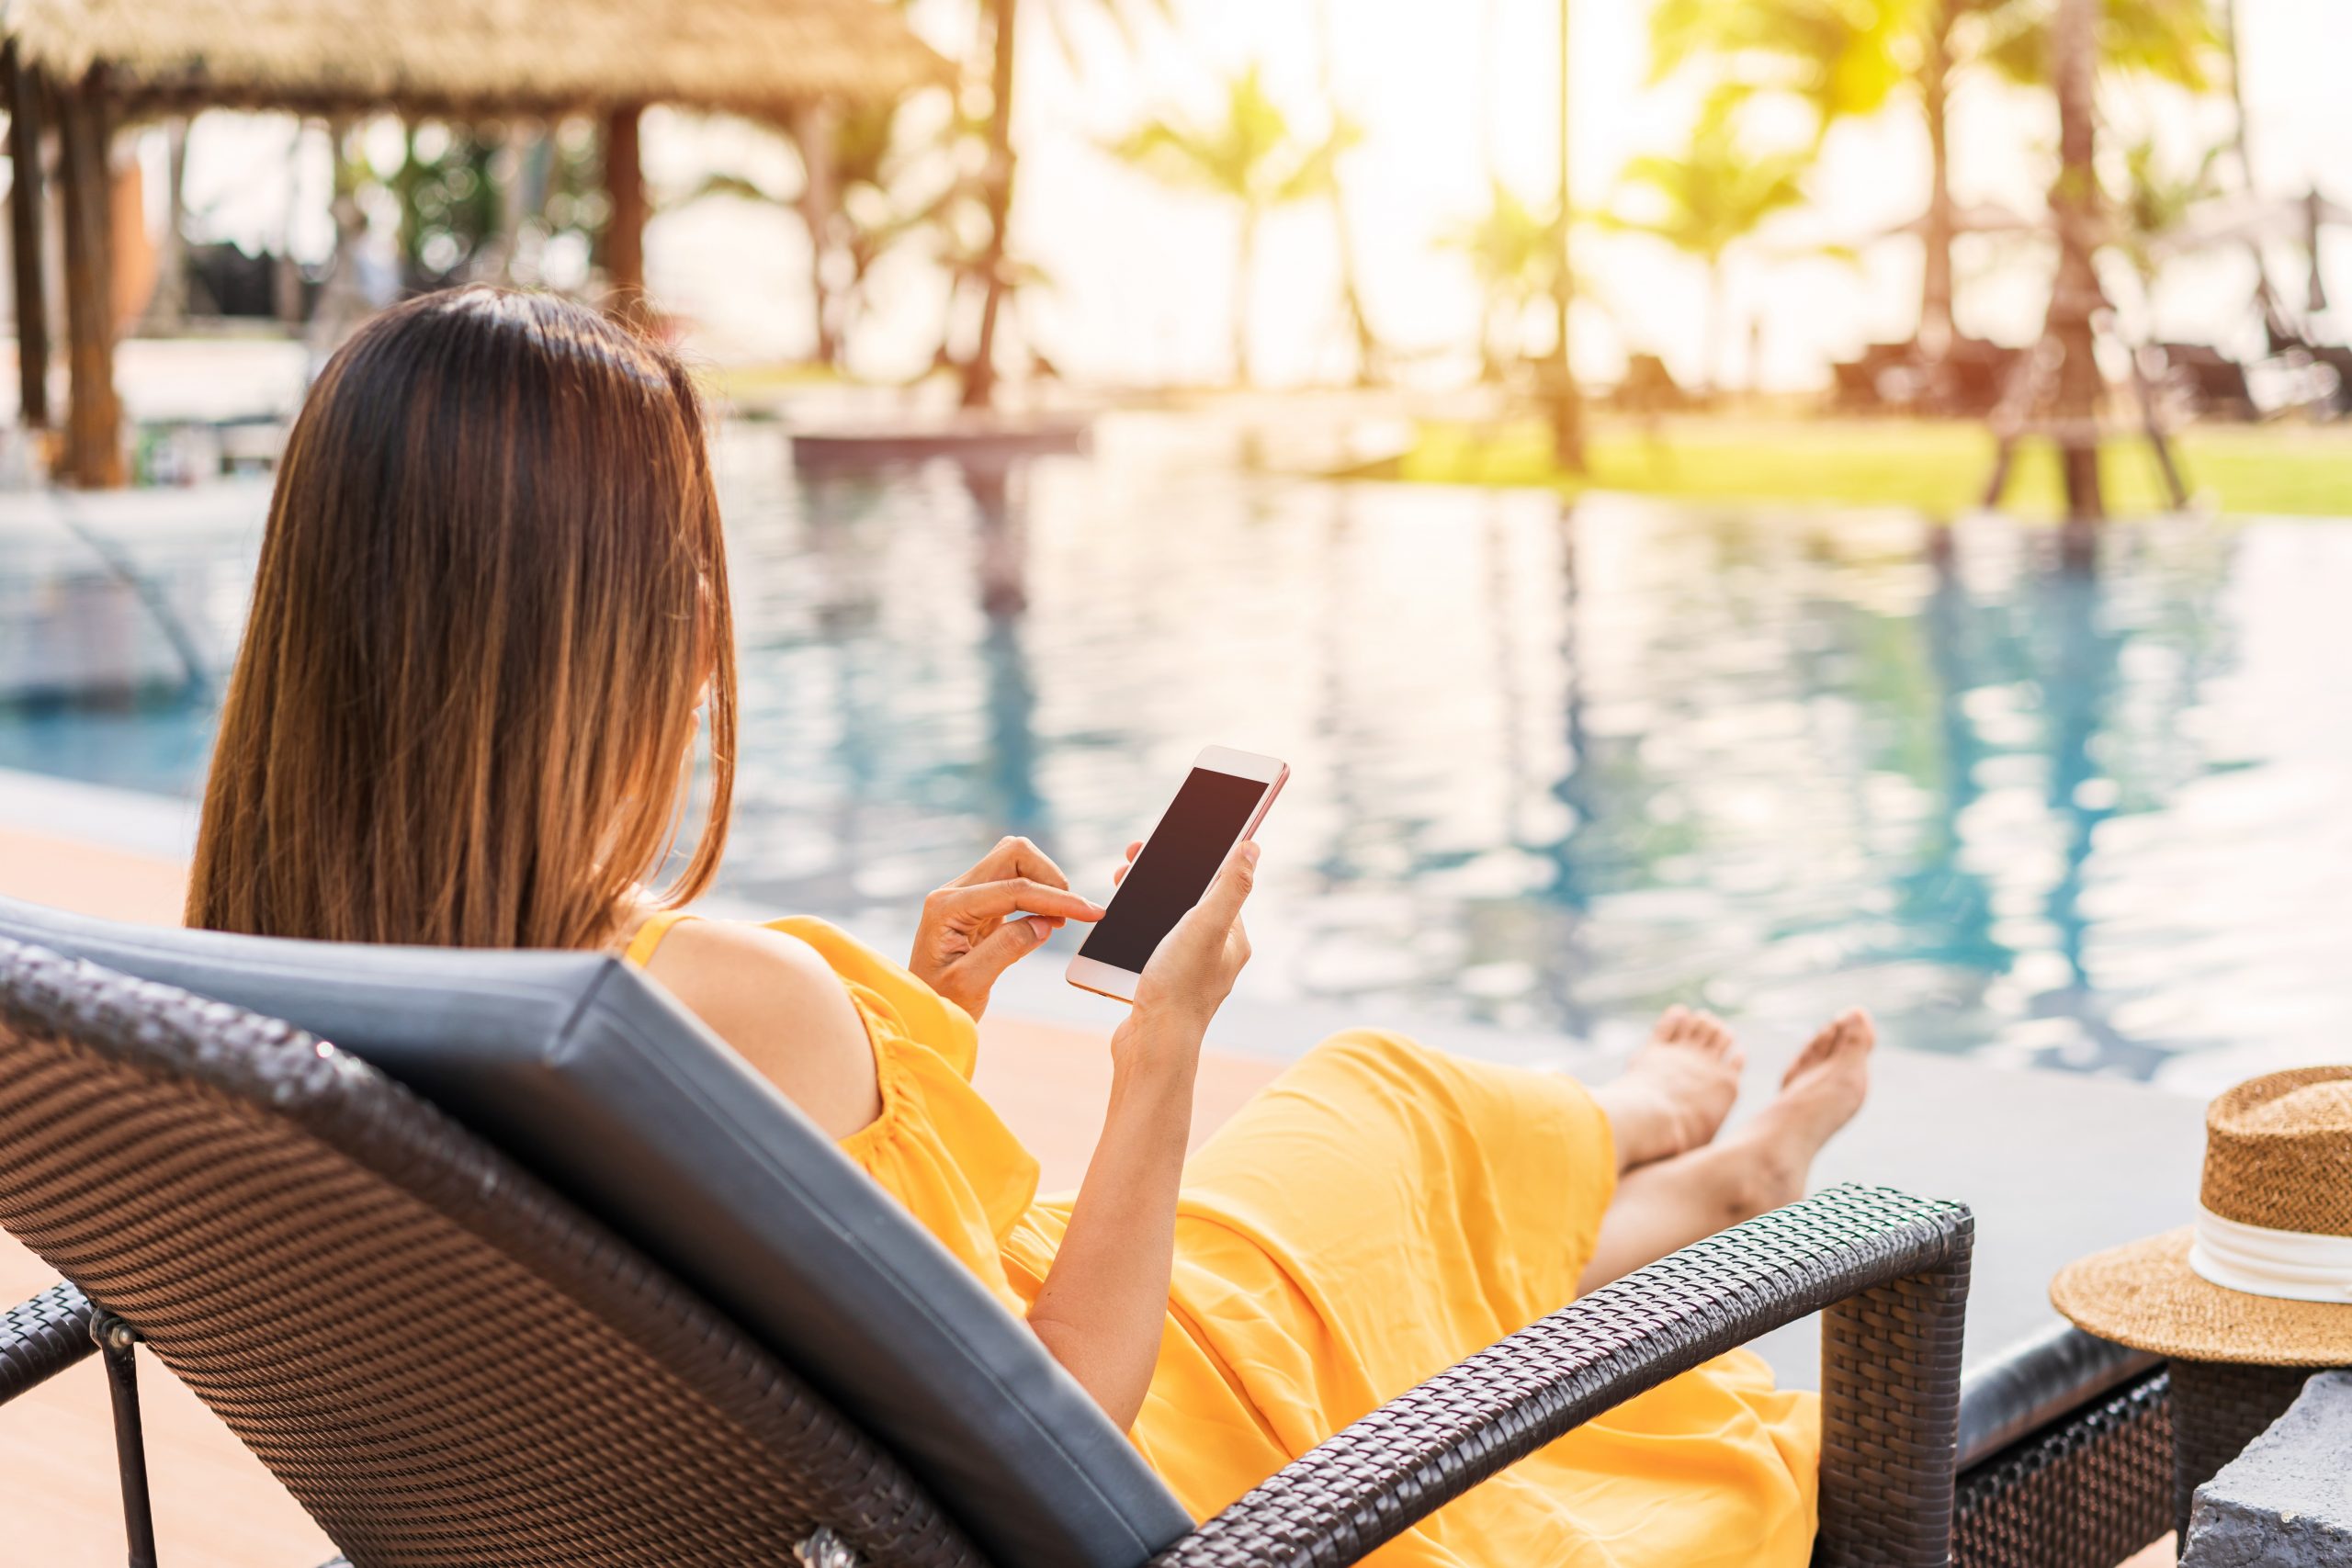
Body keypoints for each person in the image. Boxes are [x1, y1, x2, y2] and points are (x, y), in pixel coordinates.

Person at [187, 288, 1874, 1568]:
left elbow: (768, 1275)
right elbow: (1067, 1410)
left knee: (1369, 1213)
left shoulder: (257, 982)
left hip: (822, 1455)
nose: (710, 609)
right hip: (1087, 1468)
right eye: (682, 564)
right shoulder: (721, 1005)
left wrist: (918, 1035)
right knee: (1374, 1106)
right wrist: (1163, 1047)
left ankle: (1677, 1168)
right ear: (601, 625)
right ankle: (1666, 1145)